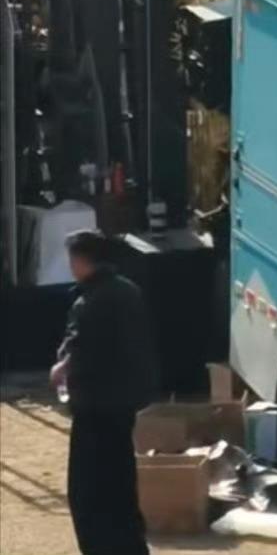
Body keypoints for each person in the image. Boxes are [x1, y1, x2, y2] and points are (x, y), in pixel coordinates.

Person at [52, 229, 155, 555]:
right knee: (121, 484)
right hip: (123, 405)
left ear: (81, 260)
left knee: (89, 491)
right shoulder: (128, 291)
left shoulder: (91, 301)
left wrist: (63, 367)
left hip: (95, 407)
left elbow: (82, 349)